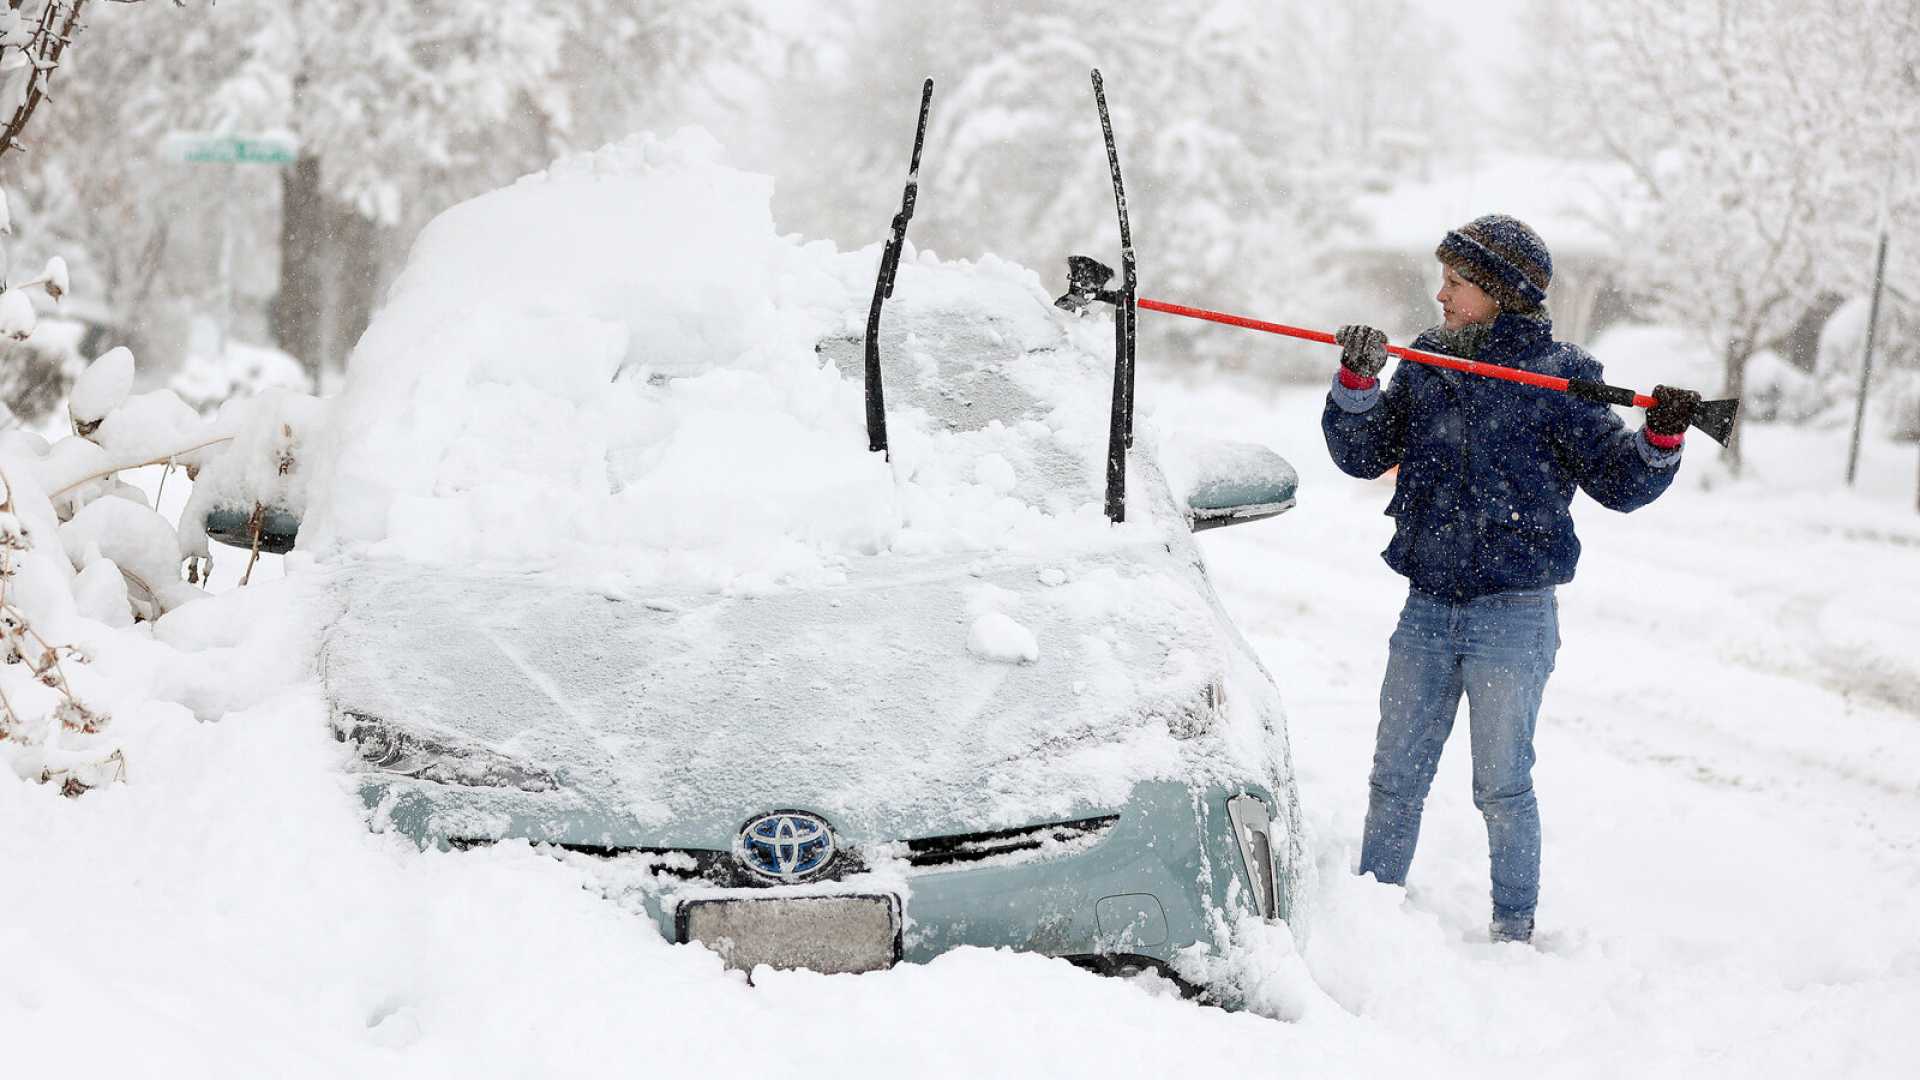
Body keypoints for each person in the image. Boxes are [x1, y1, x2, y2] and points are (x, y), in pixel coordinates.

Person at [1321, 214, 1701, 944]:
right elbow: (1365, 453)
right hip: (1427, 606)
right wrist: (1357, 384)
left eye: (1457, 283)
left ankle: (1514, 931)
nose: (1441, 294)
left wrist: (1660, 438)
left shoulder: (1562, 377)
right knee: (1394, 781)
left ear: (1500, 291)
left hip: (1513, 615)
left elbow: (1619, 481)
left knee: (1501, 788)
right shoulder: (1429, 360)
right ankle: (1370, 926)